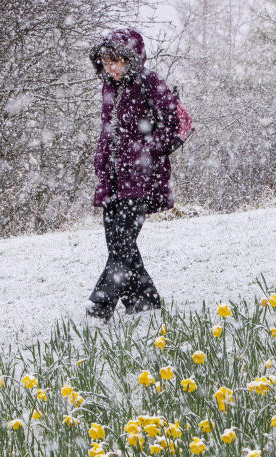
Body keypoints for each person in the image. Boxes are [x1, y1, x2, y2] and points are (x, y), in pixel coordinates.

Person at [86, 29, 180, 321]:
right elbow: (109, 131)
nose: (110, 68)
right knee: (118, 243)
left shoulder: (149, 82)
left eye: (115, 61)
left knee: (123, 244)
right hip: (113, 177)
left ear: (130, 58)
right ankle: (144, 301)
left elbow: (173, 124)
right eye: (105, 62)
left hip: (141, 178)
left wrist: (145, 150)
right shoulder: (109, 87)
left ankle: (100, 306)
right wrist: (102, 159)